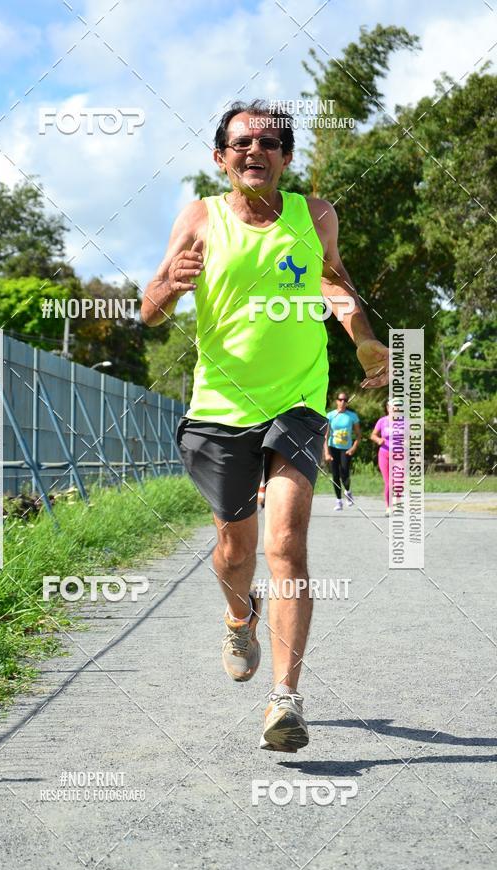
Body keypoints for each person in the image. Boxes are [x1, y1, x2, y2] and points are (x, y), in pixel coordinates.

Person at [141, 100, 388, 752]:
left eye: (271, 141)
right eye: (242, 142)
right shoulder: (200, 217)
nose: (257, 150)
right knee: (235, 550)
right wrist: (171, 284)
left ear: (286, 157)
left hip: (298, 404)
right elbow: (149, 310)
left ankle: (286, 699)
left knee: (286, 541)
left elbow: (336, 286)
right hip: (220, 410)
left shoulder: (317, 216)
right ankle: (237, 614)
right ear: (221, 157)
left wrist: (363, 340)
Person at [324, 393, 361, 510]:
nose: (343, 402)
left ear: (347, 402)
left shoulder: (352, 416)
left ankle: (348, 491)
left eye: (345, 400)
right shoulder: (330, 415)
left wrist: (353, 448)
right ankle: (338, 501)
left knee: (344, 474)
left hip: (346, 449)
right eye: (340, 399)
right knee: (335, 475)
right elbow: (326, 435)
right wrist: (326, 452)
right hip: (333, 447)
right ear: (336, 401)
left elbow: (359, 435)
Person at [371, 400, 404, 515]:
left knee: (399, 481)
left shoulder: (405, 422)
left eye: (399, 407)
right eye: (394, 407)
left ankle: (397, 503)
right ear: (388, 408)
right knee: (389, 482)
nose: (396, 409)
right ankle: (389, 507)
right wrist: (378, 439)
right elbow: (373, 435)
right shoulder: (382, 421)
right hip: (384, 454)